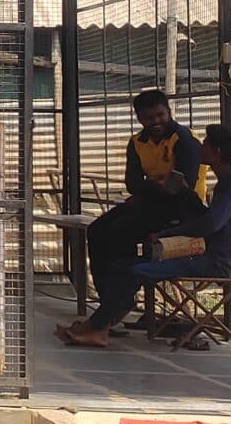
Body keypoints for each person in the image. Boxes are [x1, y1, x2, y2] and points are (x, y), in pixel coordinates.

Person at [56, 123, 231, 348]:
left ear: (216, 152)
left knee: (132, 270)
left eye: (206, 143)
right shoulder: (226, 181)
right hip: (198, 252)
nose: (201, 147)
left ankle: (98, 329)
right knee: (121, 266)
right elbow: (209, 219)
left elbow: (211, 223)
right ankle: (98, 324)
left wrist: (167, 233)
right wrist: (184, 194)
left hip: (211, 260)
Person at [85, 89, 208, 283]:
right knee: (96, 230)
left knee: (121, 231)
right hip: (150, 203)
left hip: (183, 209)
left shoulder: (184, 139)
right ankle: (108, 296)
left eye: (160, 115)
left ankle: (125, 291)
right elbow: (133, 184)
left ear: (169, 111)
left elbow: (182, 186)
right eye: (149, 118)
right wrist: (160, 183)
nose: (156, 121)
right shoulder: (137, 142)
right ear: (139, 118)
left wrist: (152, 185)